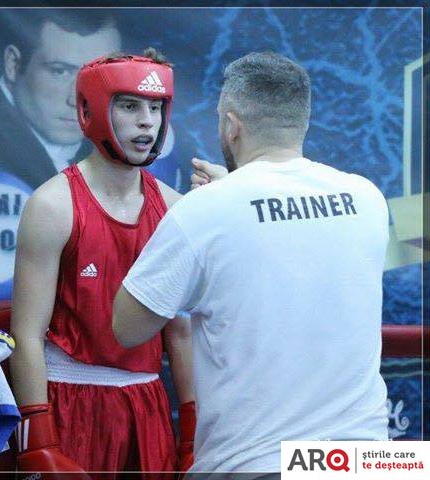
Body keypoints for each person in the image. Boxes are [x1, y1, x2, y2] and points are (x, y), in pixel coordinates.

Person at [113, 52, 390, 473]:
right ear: (302, 122)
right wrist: (230, 198)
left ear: (231, 125)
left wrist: (201, 215)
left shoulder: (206, 210)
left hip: (258, 462)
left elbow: (127, 327)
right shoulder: (367, 197)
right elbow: (297, 241)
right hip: (371, 461)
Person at [10, 50, 194, 477]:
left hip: (147, 405)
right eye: (129, 106)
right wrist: (39, 440)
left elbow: (181, 335)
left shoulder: (175, 209)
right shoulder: (53, 205)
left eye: (155, 107)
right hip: (68, 401)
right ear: (91, 110)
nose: (146, 122)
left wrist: (192, 434)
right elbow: (27, 334)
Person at [0, 11, 121, 189]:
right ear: (13, 64)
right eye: (60, 71)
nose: (77, 100)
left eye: (99, 76)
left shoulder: (116, 143)